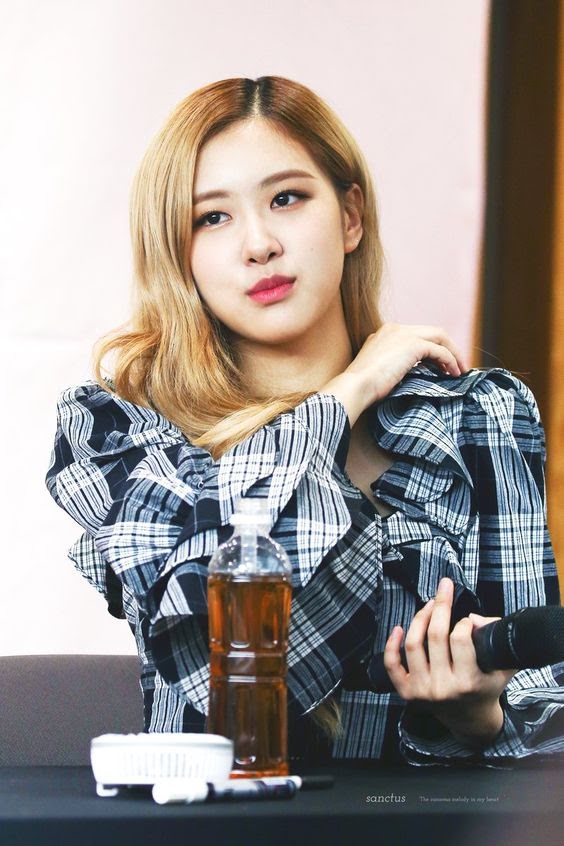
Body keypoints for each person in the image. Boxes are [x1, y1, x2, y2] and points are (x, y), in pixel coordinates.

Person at [45, 75, 564, 768]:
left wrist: (478, 718)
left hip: (418, 821)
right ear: (178, 254)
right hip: (211, 821)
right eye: (212, 218)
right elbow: (219, 657)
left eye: (286, 198)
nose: (259, 244)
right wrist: (346, 395)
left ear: (350, 217)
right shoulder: (117, 427)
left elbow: (545, 707)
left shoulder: (480, 417)